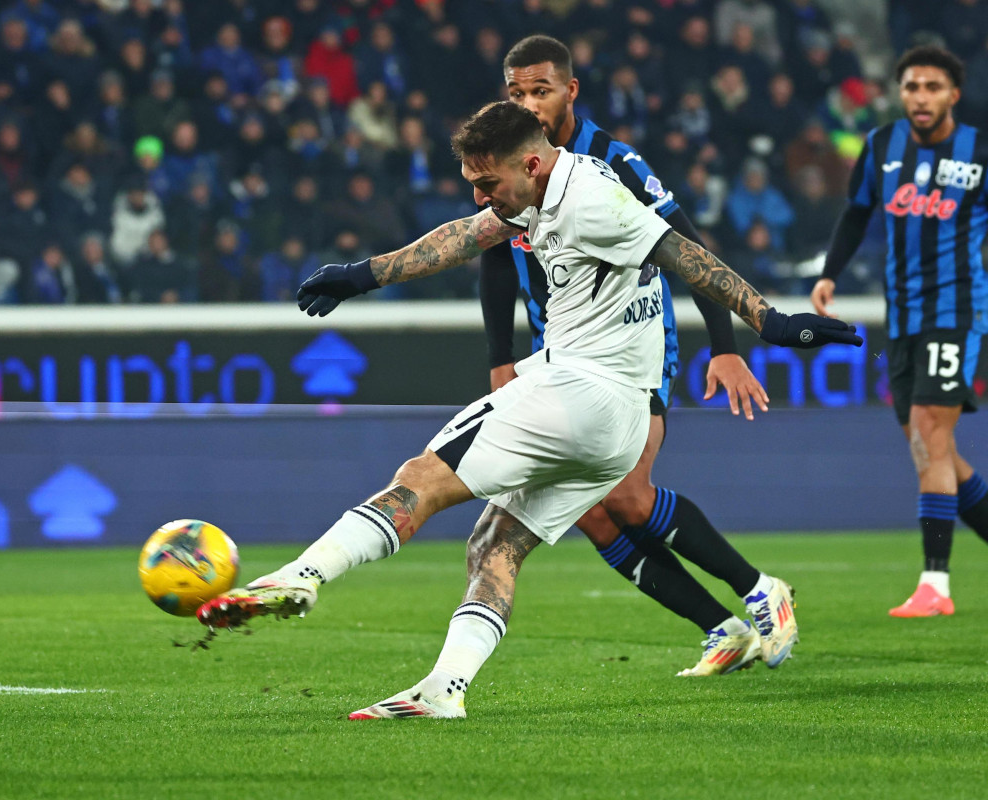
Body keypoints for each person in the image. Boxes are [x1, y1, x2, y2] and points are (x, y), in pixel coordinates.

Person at [198, 100, 862, 719]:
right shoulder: (540, 189)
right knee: (496, 544)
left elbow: (685, 255)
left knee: (420, 479)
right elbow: (464, 236)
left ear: (532, 163)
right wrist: (362, 274)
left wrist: (770, 322)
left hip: (575, 392)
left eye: (487, 182)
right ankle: (444, 689)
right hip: (614, 426)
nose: (480, 196)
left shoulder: (597, 196)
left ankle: (300, 578)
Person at [480, 34, 794, 677]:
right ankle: (723, 631)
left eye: (540, 90)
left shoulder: (616, 161)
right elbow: (493, 266)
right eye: (516, 92)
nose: (528, 104)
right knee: (591, 513)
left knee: (625, 495)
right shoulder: (505, 161)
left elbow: (687, 248)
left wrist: (725, 348)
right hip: (557, 356)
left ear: (570, 91)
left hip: (634, 348)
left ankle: (763, 589)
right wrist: (500, 358)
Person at [812, 45, 988, 618]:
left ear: (953, 95)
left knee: (932, 431)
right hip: (904, 316)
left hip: (956, 311)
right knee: (929, 446)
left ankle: (935, 583)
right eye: (911, 86)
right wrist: (829, 274)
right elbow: (858, 212)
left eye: (932, 87)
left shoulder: (979, 153)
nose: (920, 97)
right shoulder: (881, 145)